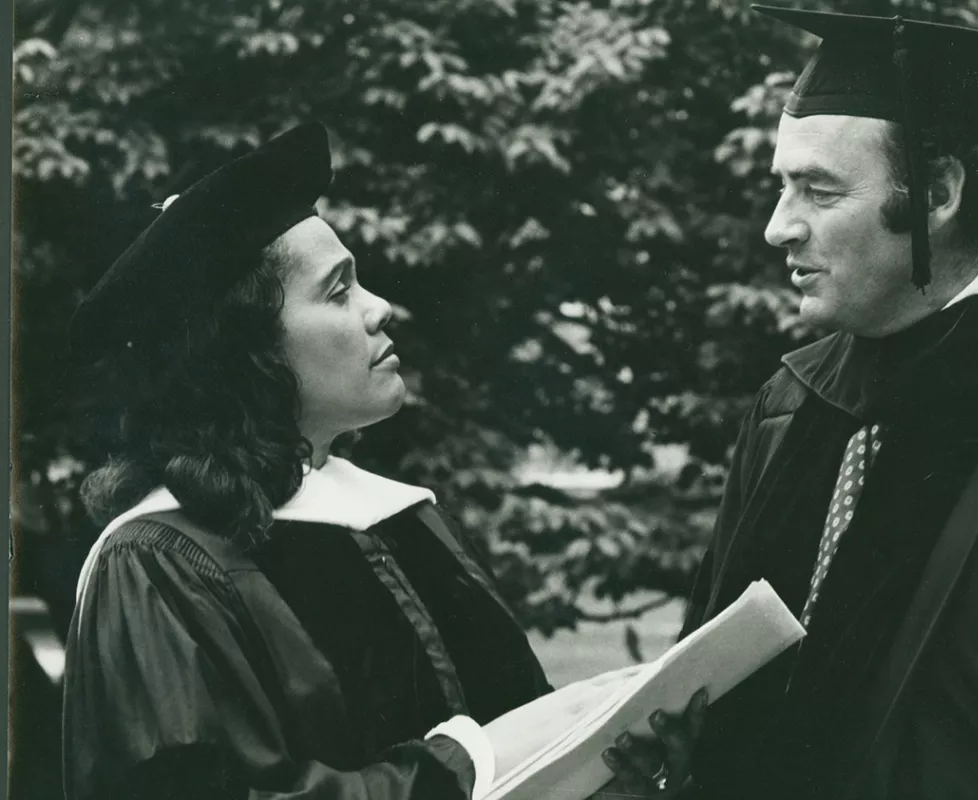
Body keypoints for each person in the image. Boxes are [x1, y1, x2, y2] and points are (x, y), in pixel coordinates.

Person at [63, 123, 704, 800]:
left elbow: (529, 742)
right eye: (339, 292)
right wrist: (458, 765)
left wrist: (611, 772)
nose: (381, 309)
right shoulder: (156, 561)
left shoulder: (400, 518)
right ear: (246, 352)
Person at [681, 7, 978, 800]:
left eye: (818, 190)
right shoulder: (790, 403)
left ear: (939, 191)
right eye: (782, 188)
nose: (779, 228)